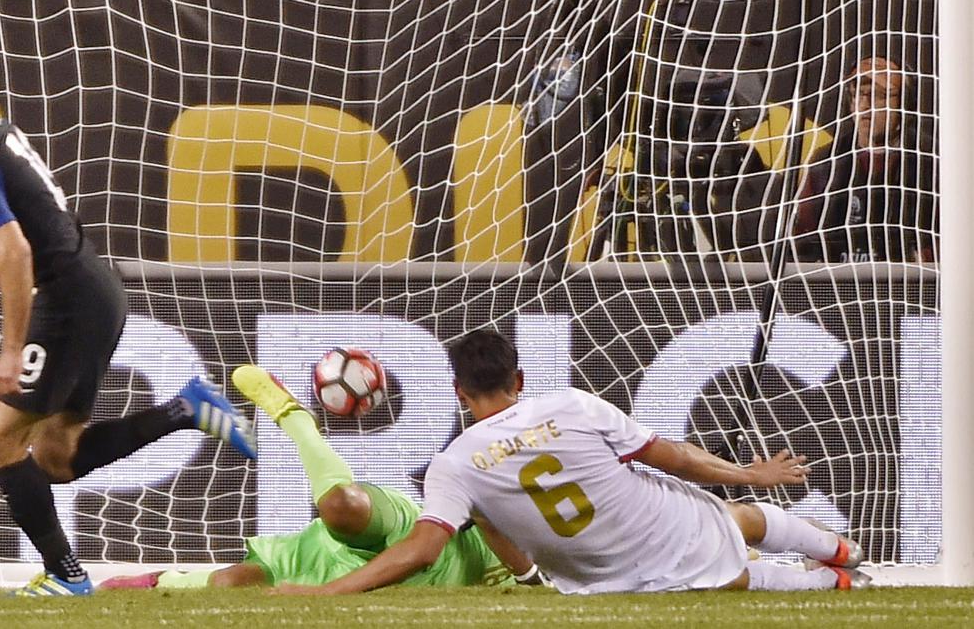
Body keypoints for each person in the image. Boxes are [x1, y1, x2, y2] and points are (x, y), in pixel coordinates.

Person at [0, 22, 258, 597]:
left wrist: (11, 351)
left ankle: (67, 576)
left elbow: (15, 251)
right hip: (94, 287)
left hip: (68, 298)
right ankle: (186, 409)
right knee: (57, 457)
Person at [274, 329, 870, 597]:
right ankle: (843, 553)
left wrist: (330, 592)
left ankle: (836, 582)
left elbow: (422, 549)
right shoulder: (572, 404)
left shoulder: (453, 466)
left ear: (458, 393)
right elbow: (674, 458)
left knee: (732, 578)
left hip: (605, 582)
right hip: (666, 524)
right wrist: (751, 473)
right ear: (519, 380)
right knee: (736, 517)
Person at [101, 365, 530, 591]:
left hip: (399, 576)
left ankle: (165, 581)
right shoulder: (510, 466)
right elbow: (439, 540)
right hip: (422, 537)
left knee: (231, 583)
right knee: (342, 506)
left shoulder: (552, 568)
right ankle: (296, 419)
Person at [794, 55, 938, 263]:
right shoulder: (826, 164)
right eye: (858, 94)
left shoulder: (931, 163)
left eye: (879, 95)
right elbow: (801, 246)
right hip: (837, 280)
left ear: (905, 105)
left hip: (909, 281)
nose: (865, 105)